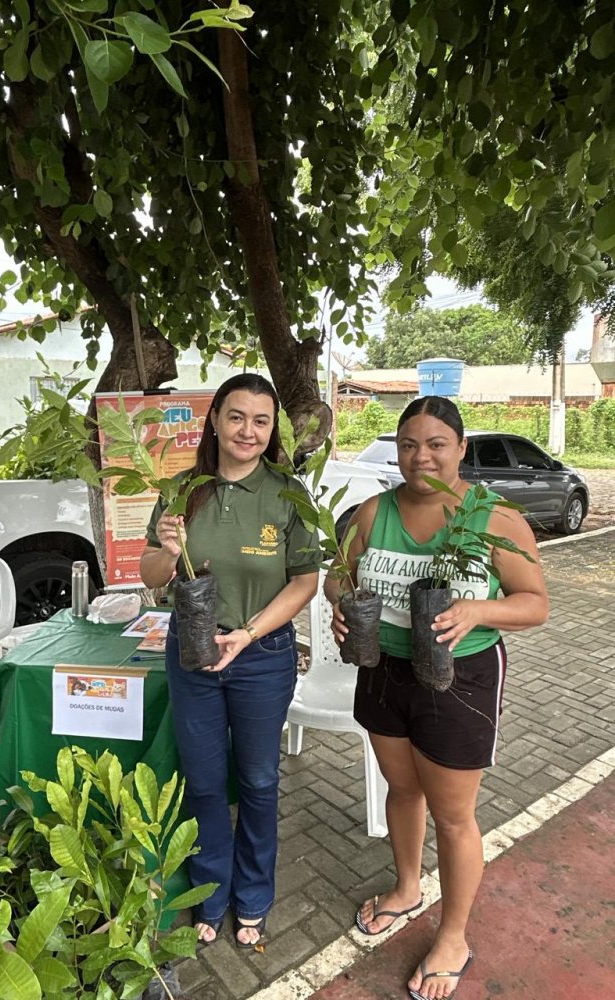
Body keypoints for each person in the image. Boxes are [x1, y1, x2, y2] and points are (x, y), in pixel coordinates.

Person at [325, 396, 549, 1000]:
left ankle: (453, 934)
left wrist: (478, 608)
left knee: (453, 816)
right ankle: (406, 888)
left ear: (461, 450)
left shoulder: (493, 518)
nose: (420, 456)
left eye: (436, 444)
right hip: (383, 669)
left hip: (463, 676)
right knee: (403, 790)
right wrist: (341, 604)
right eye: (407, 445)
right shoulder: (373, 512)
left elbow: (534, 601)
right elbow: (338, 575)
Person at [140, 373, 320, 949]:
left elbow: (305, 582)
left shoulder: (288, 494)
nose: (248, 430)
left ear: (272, 431)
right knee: (205, 781)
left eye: (261, 421)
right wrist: (167, 552)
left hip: (261, 654)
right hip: (191, 652)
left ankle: (253, 897)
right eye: (237, 416)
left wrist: (246, 633)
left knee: (260, 779)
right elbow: (148, 578)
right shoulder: (180, 489)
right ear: (214, 418)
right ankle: (210, 894)